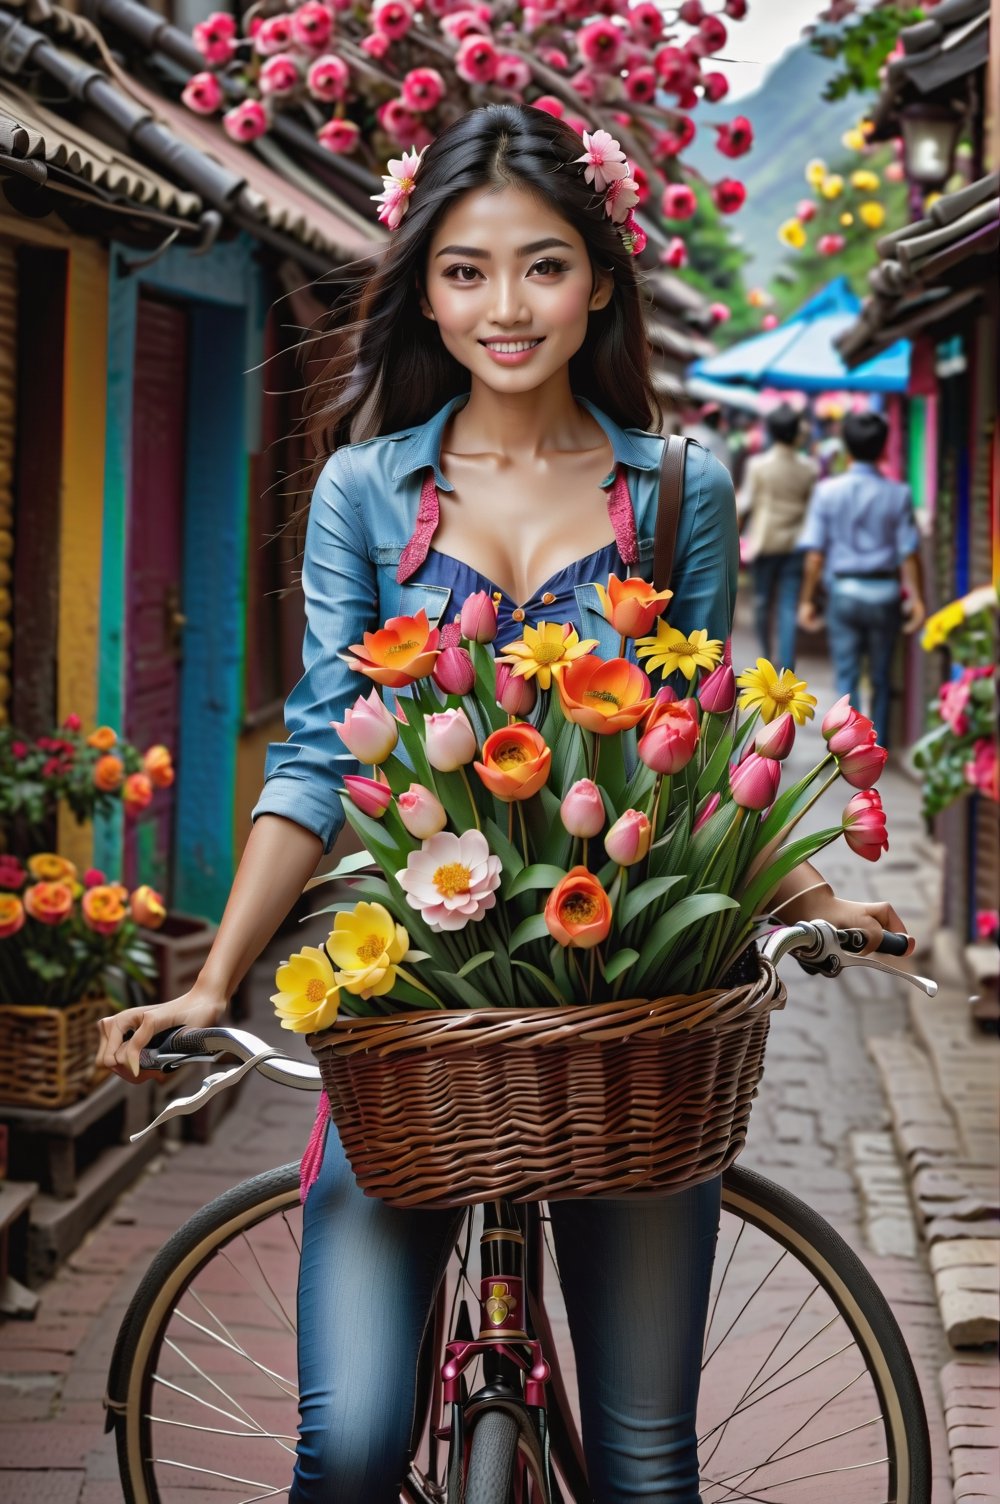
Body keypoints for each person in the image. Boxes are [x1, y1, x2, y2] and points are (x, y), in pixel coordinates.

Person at [97, 105, 914, 1504]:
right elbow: (316, 762)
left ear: (599, 279)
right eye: (466, 271)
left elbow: (698, 739)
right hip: (415, 1014)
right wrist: (215, 981)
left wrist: (816, 897)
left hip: (636, 1019)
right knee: (346, 1448)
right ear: (424, 285)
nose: (506, 306)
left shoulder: (678, 490)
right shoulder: (365, 488)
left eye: (543, 266)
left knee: (647, 1470)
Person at [797, 409, 926, 746]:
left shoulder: (827, 491)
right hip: (885, 593)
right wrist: (917, 599)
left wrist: (807, 600)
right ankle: (875, 747)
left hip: (843, 592)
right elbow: (907, 553)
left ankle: (848, 747)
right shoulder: (898, 494)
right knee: (881, 677)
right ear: (884, 449)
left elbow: (814, 555)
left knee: (847, 675)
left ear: (846, 450)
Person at [739, 402, 818, 671]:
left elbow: (746, 503)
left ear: (770, 432)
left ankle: (765, 655)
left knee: (762, 602)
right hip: (797, 542)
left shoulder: (758, 465)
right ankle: (787, 667)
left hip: (764, 541)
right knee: (788, 605)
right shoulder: (810, 468)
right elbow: (811, 507)